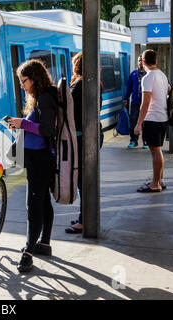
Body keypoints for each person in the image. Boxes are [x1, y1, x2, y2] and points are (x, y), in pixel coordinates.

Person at [6, 59, 58, 273]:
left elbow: (47, 130)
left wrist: (23, 123)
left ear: (34, 78)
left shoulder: (45, 98)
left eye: (23, 81)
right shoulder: (43, 97)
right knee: (43, 200)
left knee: (33, 205)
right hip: (38, 156)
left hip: (41, 158)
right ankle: (43, 244)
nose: (21, 85)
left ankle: (28, 253)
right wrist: (19, 127)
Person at [65, 52, 103, 234]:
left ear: (77, 65)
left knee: (82, 181)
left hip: (81, 138)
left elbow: (67, 109)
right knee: (85, 179)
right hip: (93, 135)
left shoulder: (79, 84)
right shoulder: (96, 83)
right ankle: (86, 216)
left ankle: (84, 220)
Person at [135, 49, 170, 193]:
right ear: (155, 60)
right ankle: (159, 179)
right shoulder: (162, 75)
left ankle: (155, 184)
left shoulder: (148, 77)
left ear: (143, 62)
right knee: (158, 150)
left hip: (153, 119)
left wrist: (138, 124)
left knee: (155, 152)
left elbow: (146, 102)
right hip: (162, 117)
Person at [123, 55, 148, 149]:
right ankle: (134, 140)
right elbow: (128, 87)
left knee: (145, 122)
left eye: (142, 60)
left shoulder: (148, 74)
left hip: (145, 103)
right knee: (133, 121)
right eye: (139, 60)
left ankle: (146, 141)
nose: (140, 62)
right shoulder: (133, 74)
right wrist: (126, 98)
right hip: (135, 103)